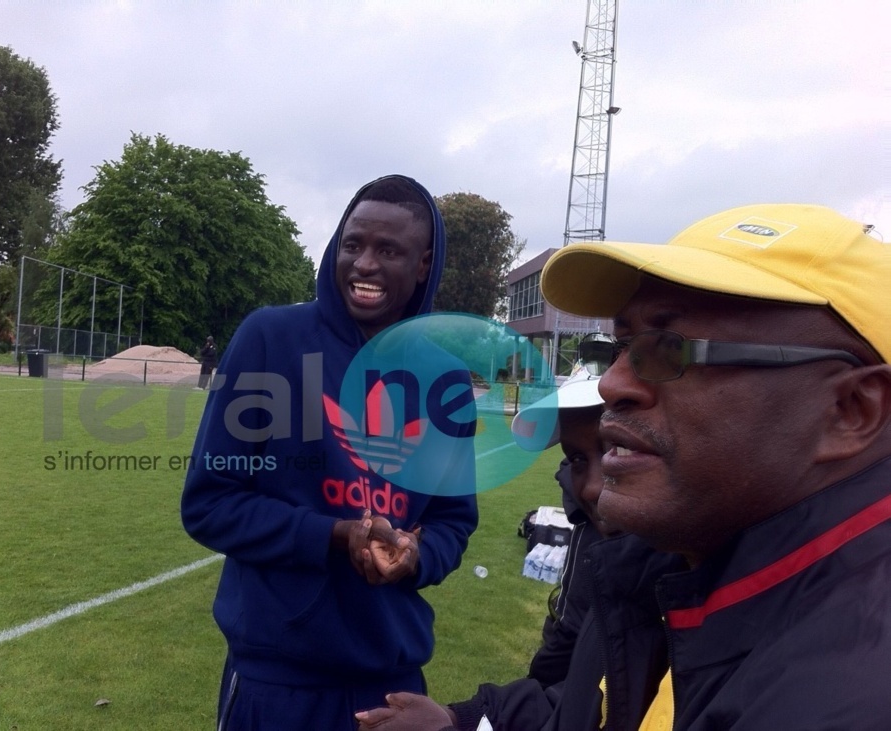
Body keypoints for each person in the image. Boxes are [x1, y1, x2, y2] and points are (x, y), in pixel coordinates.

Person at [362, 203, 891, 730]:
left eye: (671, 350)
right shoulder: (671, 565)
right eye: (621, 346)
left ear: (850, 411)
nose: (613, 384)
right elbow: (587, 709)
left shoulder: (847, 696)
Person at [180, 175, 478, 731]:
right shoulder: (271, 338)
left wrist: (415, 553)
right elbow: (210, 503)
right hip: (277, 683)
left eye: (388, 251)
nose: (364, 264)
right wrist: (335, 536)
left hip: (393, 686)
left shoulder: (446, 378)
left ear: (422, 266)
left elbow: (453, 522)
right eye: (353, 244)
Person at [358, 368, 621, 731]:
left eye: (615, 449)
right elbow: (563, 688)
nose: (591, 487)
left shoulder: (682, 576)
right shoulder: (595, 534)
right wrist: (461, 717)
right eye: (576, 459)